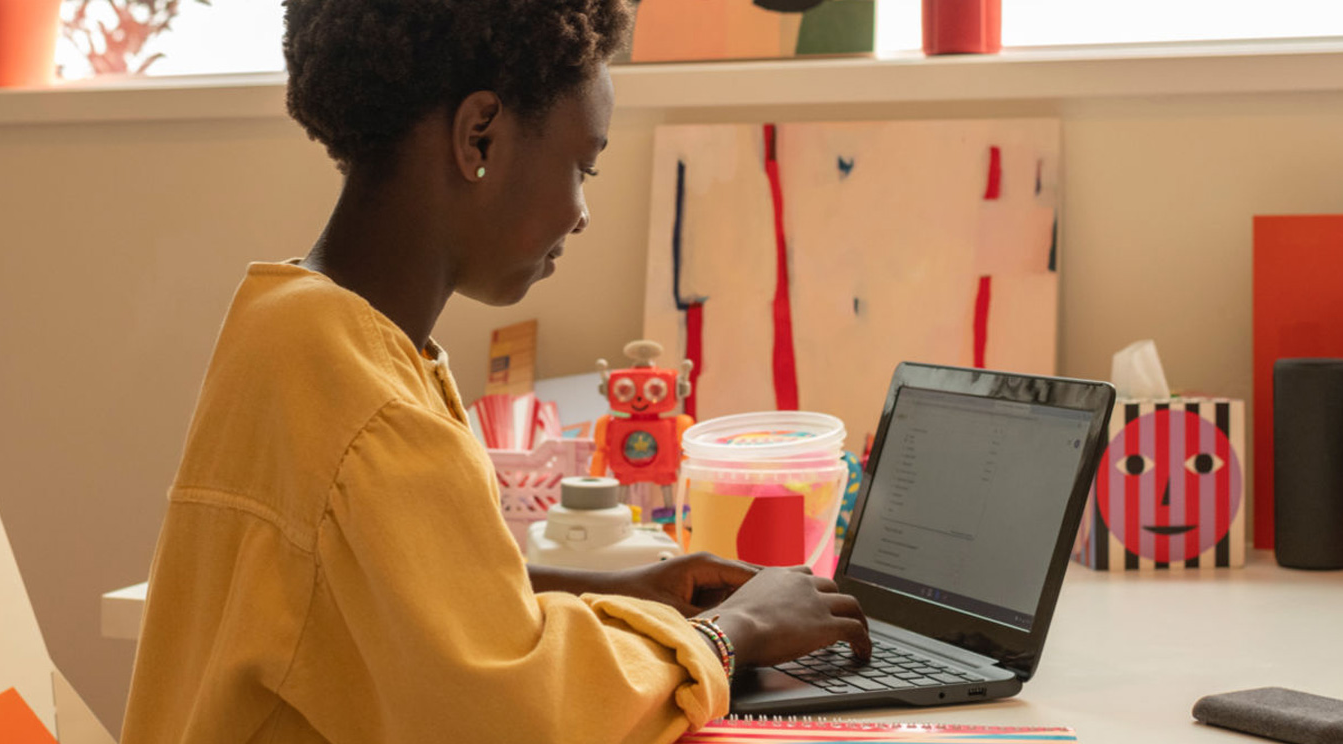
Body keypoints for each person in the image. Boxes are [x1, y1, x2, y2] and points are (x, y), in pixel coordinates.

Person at [118, 1, 871, 742]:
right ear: (478, 134)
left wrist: (614, 590)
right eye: (583, 165)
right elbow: (524, 720)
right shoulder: (366, 406)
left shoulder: (294, 329)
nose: (581, 213)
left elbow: (392, 602)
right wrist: (733, 633)